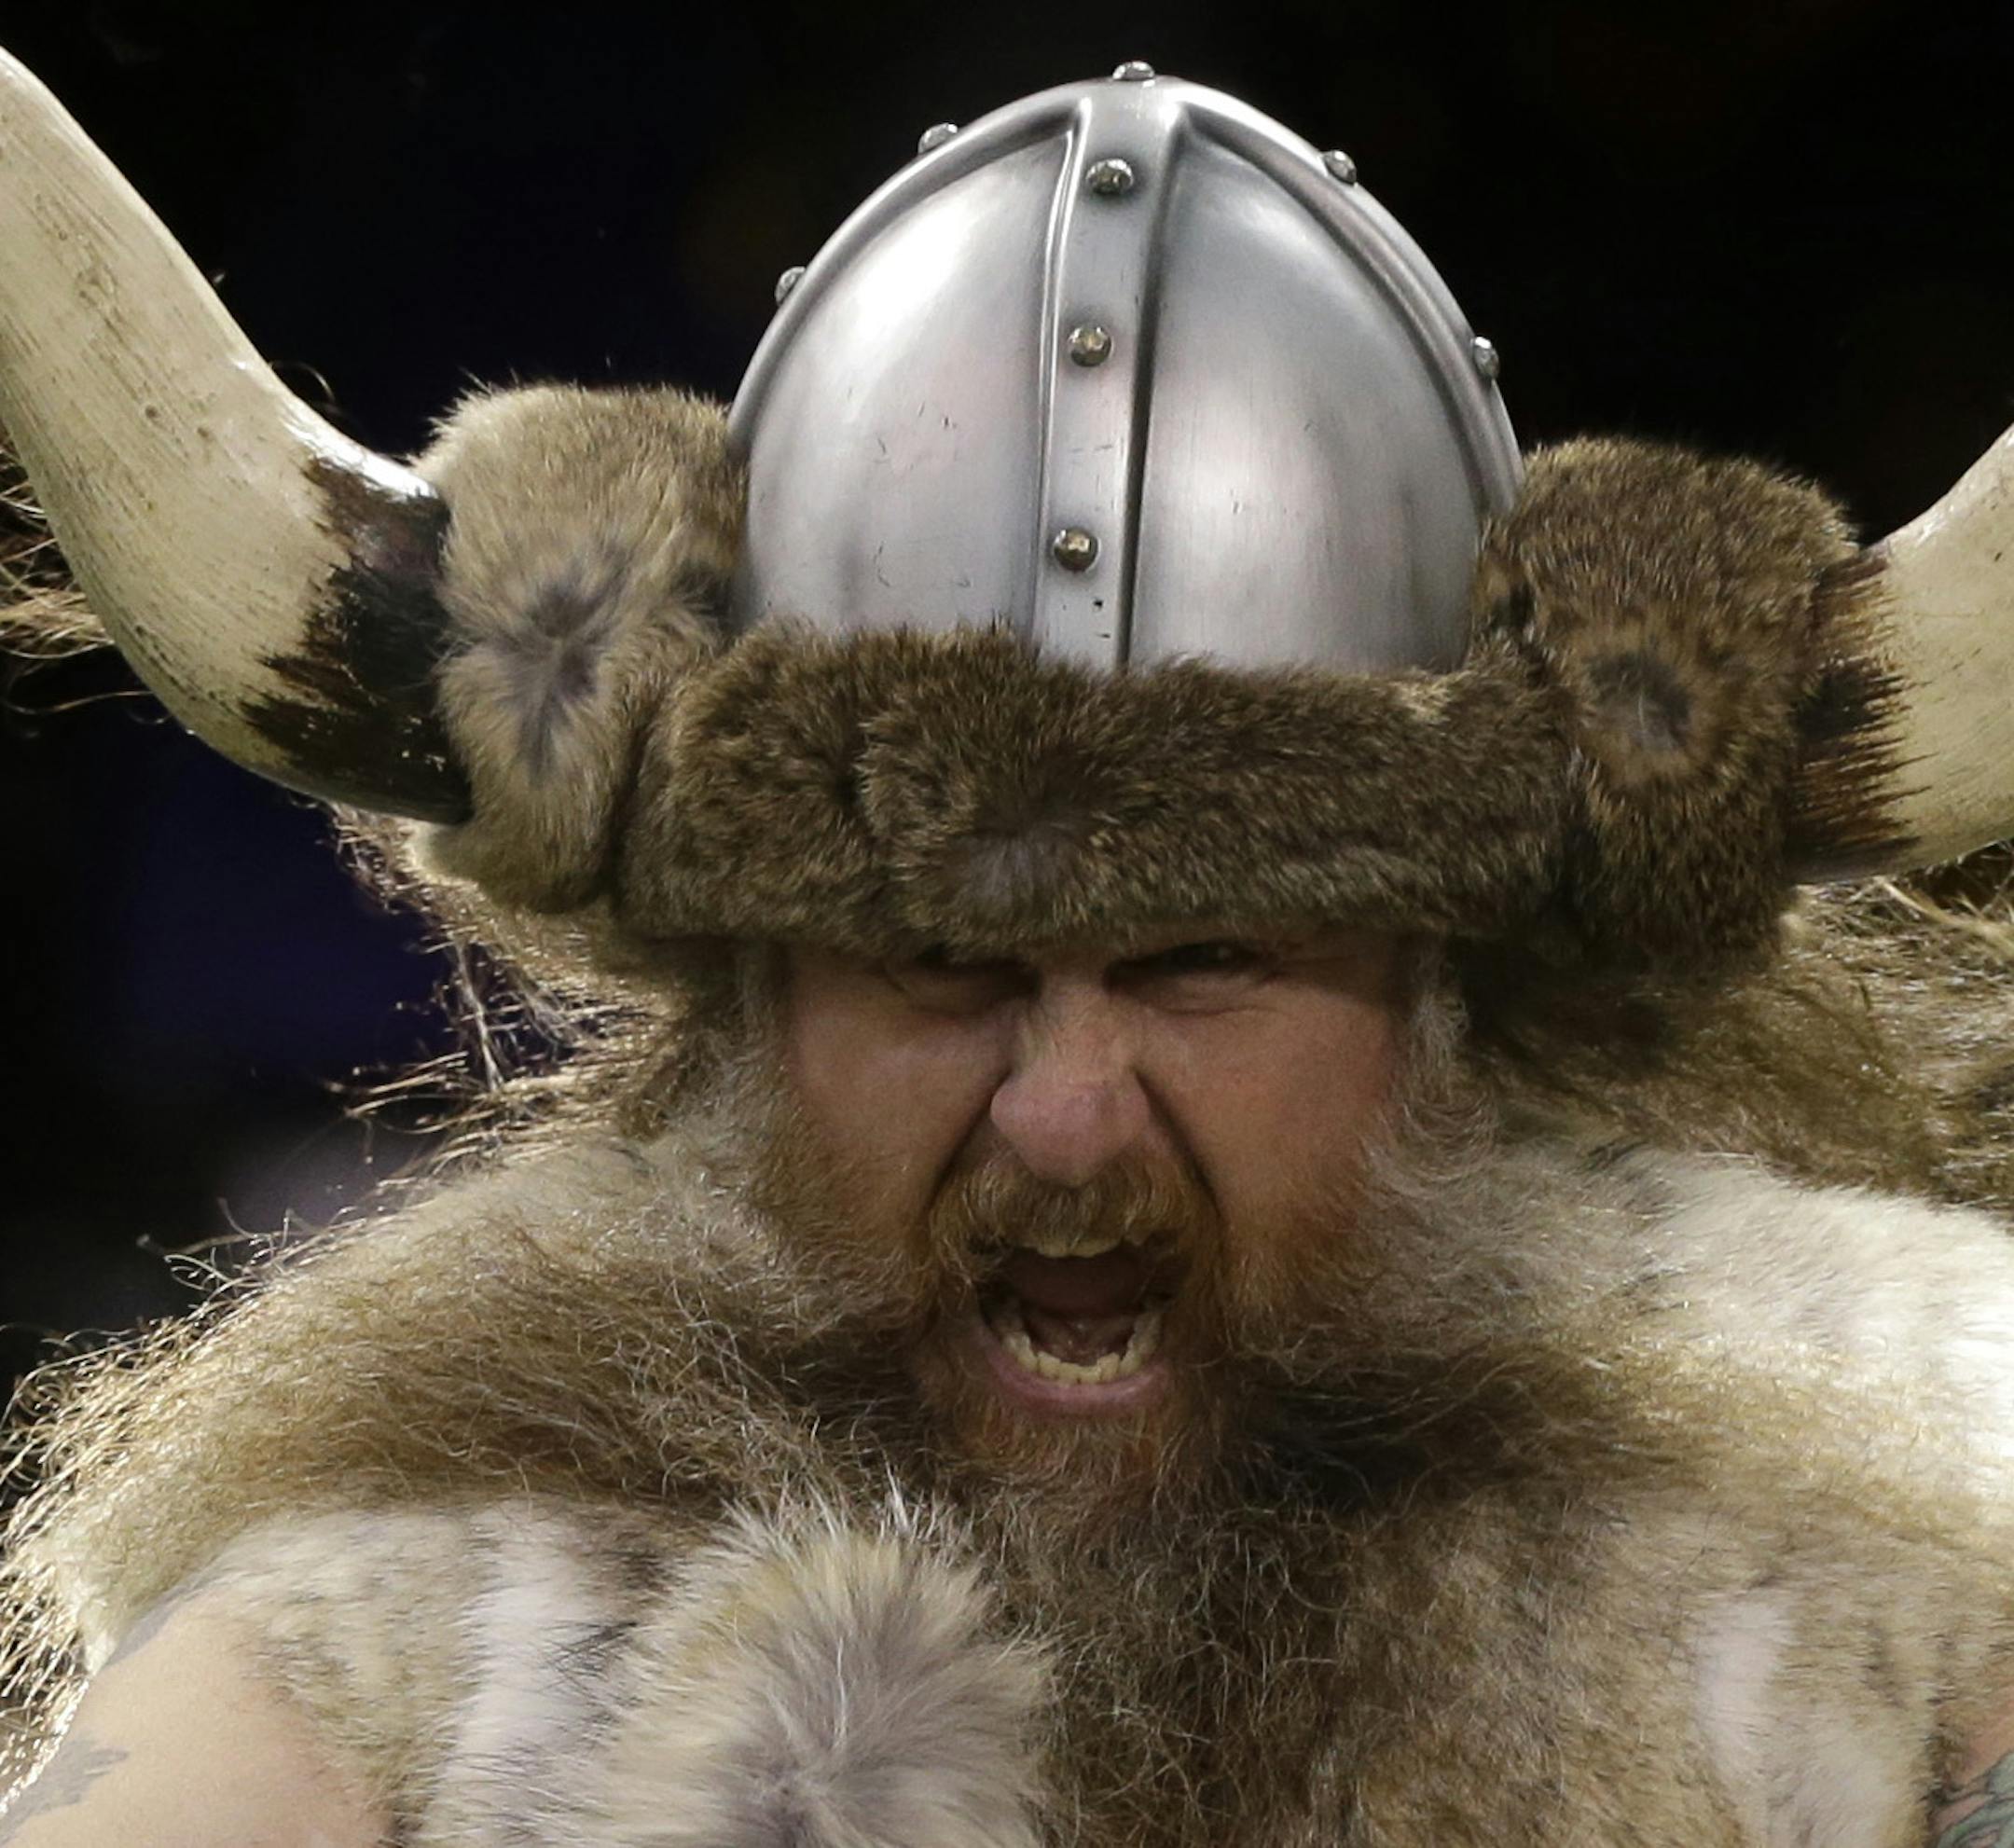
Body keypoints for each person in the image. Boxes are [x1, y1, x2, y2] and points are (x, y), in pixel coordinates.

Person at [7, 45, 2014, 1847]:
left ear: (1444, 1003)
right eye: (933, 961)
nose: (1063, 1118)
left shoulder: (1866, 1665)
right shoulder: (385, 1684)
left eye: (1206, 958)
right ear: (744, 1001)